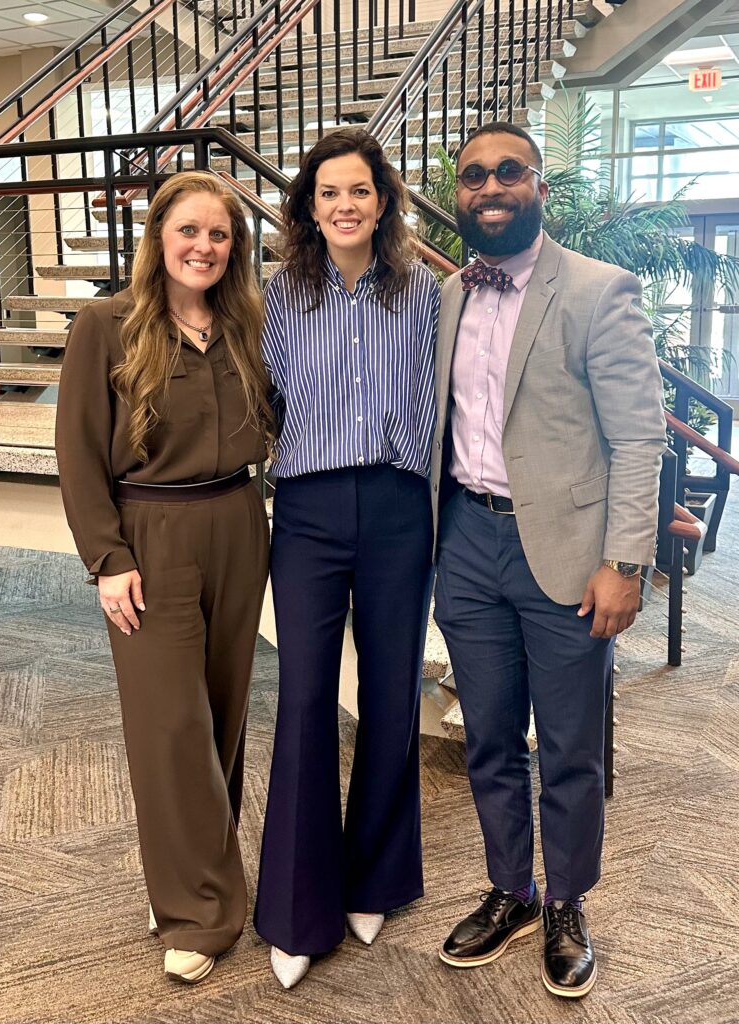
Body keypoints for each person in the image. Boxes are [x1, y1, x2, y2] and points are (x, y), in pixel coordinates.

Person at [430, 123, 667, 998]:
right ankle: (512, 890)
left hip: (567, 553)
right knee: (488, 738)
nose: (489, 188)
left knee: (569, 746)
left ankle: (568, 901)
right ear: (458, 192)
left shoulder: (600, 290)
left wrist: (625, 563)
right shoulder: (447, 295)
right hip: (467, 542)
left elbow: (639, 439)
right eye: (473, 176)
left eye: (508, 172)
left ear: (538, 185)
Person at [55, 170, 272, 984]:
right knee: (170, 725)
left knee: (221, 714)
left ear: (235, 247)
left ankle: (180, 876)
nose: (204, 247)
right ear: (158, 237)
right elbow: (78, 451)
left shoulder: (246, 323)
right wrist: (107, 558)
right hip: (150, 535)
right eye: (189, 230)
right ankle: (199, 912)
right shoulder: (106, 324)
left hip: (238, 524)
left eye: (219, 234)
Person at [253, 127, 440, 989]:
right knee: (303, 697)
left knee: (392, 691)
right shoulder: (277, 295)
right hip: (310, 510)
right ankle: (298, 910)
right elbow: (256, 396)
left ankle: (377, 878)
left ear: (384, 199)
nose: (344, 205)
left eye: (359, 189)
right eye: (328, 192)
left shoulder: (425, 292)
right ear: (308, 206)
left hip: (400, 507)